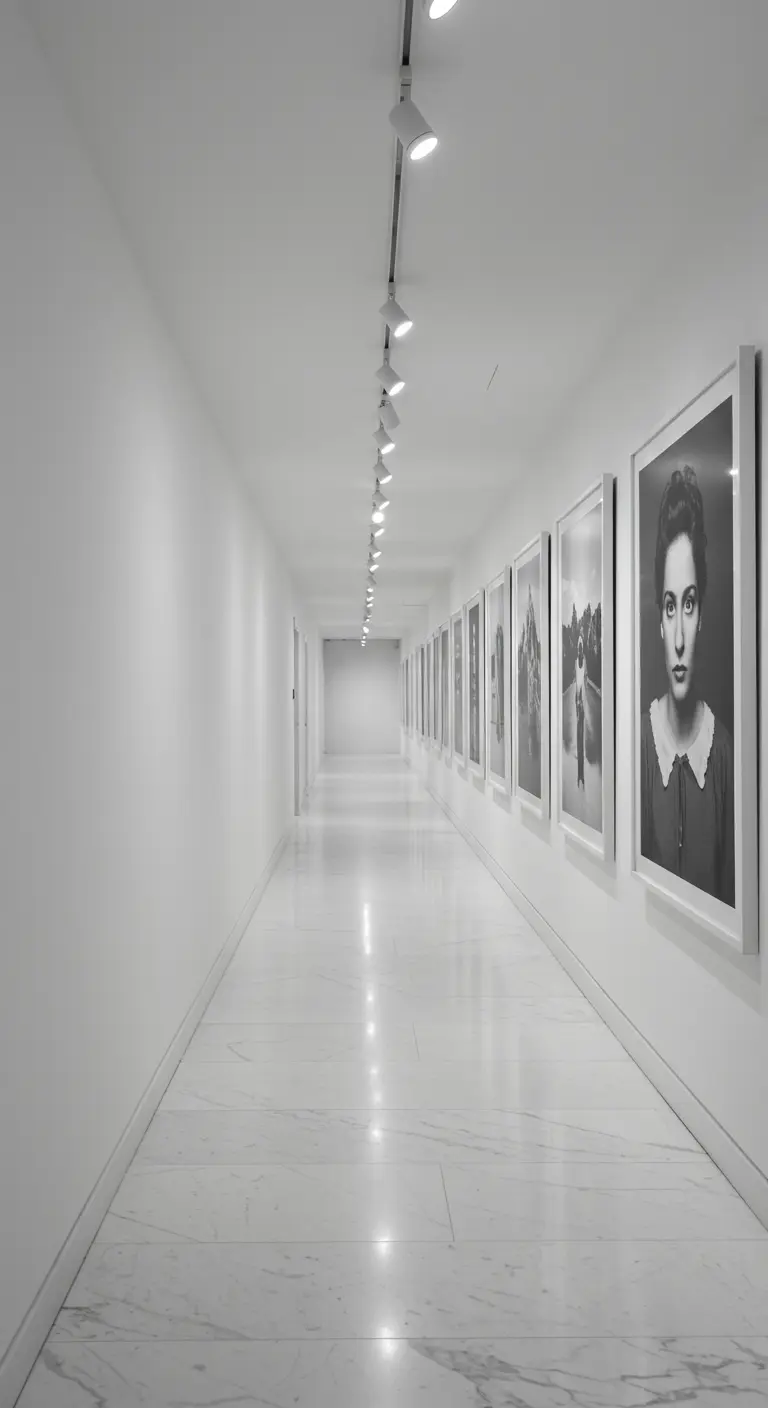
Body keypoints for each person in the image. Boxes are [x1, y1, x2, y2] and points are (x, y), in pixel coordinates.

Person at [640, 466, 734, 905]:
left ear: (704, 614)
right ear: (659, 620)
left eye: (690, 604)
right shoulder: (640, 745)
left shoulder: (727, 758)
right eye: (670, 606)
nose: (679, 638)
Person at [575, 633, 586, 789]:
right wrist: (577, 699)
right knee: (578, 733)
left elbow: (585, 680)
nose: (580, 649)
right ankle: (579, 775)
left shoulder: (585, 662)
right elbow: (576, 680)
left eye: (581, 647)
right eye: (579, 647)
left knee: (581, 732)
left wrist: (582, 699)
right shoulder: (575, 662)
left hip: (583, 700)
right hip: (577, 699)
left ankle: (581, 775)